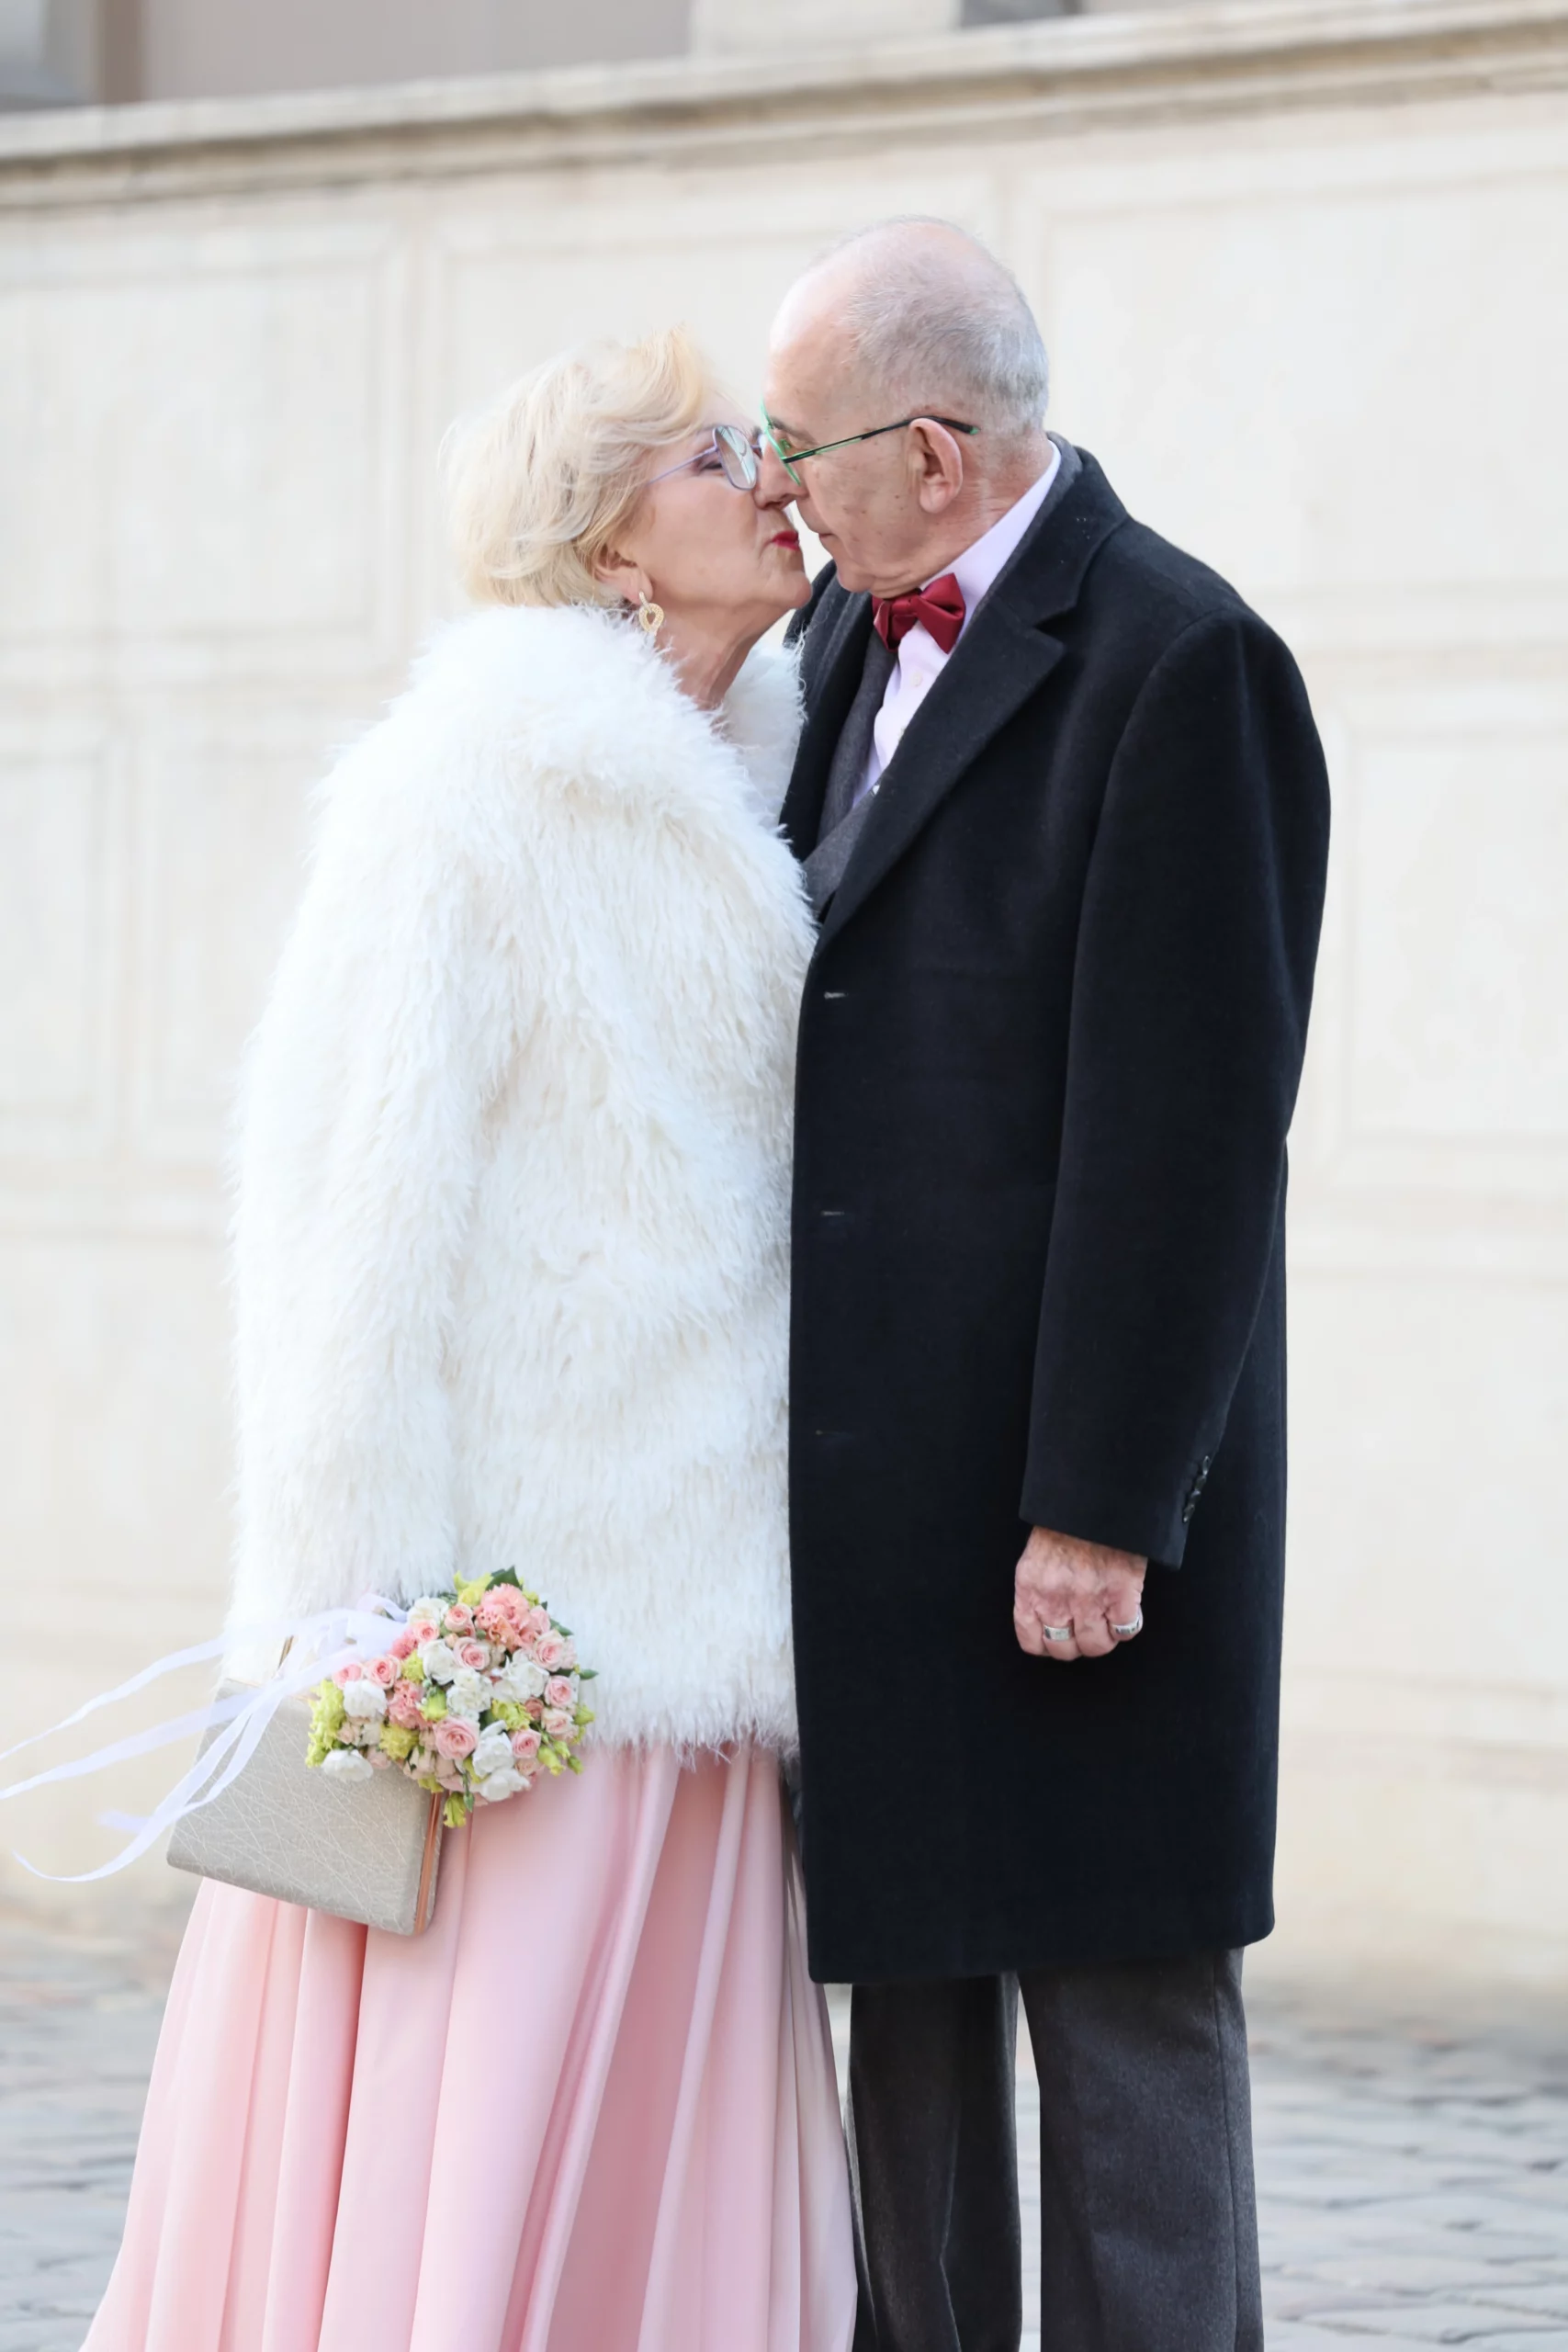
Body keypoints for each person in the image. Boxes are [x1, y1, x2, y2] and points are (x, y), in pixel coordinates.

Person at [84, 330, 856, 2352]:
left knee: (655, 2162)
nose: (771, 468)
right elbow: (345, 1211)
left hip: (705, 1602)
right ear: (612, 535)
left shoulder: (776, 779)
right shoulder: (462, 793)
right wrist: (363, 1618)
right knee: (477, 2135)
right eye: (714, 450)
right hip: (504, 1647)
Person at [761, 220, 1331, 2352]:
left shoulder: (1185, 661)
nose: (775, 478)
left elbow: (1192, 1136)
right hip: (871, 1502)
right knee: (906, 2042)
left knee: (1117, 2027)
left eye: (795, 442)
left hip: (1064, 1509)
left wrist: (1099, 1499)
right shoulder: (831, 643)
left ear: (928, 447)